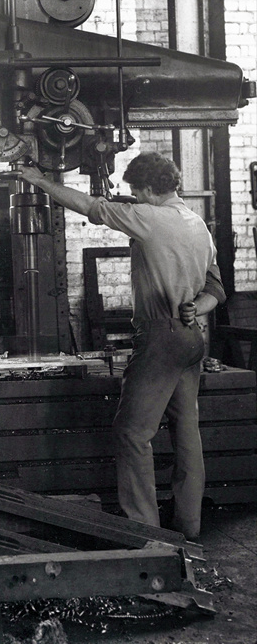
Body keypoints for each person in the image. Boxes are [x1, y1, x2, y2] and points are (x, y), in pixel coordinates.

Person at [19, 151, 226, 541]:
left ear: (148, 189)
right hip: (192, 337)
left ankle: (144, 531)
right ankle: (189, 525)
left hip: (160, 338)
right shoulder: (197, 222)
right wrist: (196, 308)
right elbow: (216, 287)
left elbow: (91, 206)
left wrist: (40, 180)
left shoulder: (149, 219)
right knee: (186, 429)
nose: (134, 198)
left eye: (136, 191)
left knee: (132, 433)